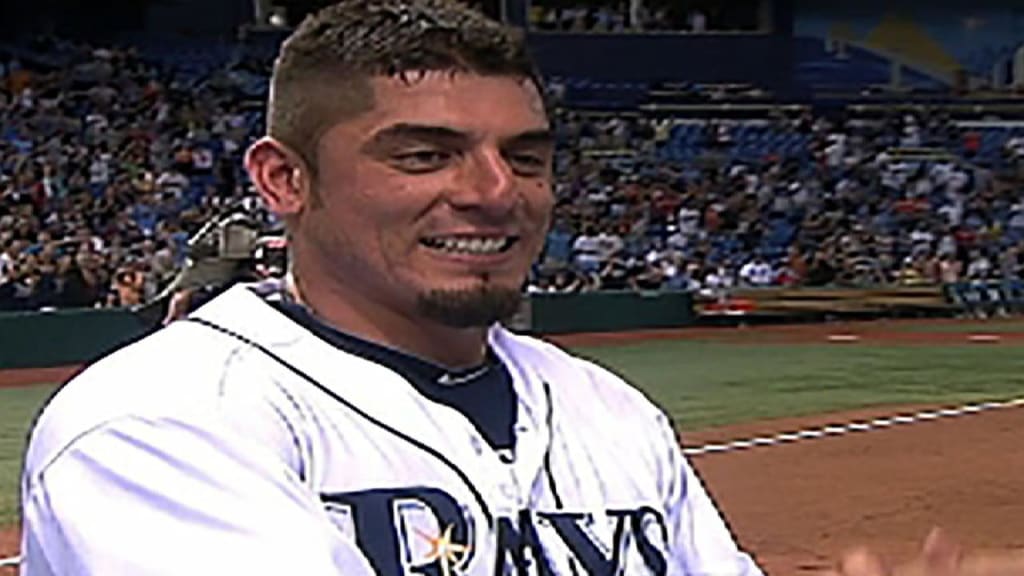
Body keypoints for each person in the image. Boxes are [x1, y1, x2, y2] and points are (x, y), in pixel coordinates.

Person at [16, 2, 1024, 576]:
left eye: (527, 156)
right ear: (284, 179)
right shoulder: (161, 424)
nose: (494, 193)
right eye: (424, 154)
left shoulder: (605, 411)